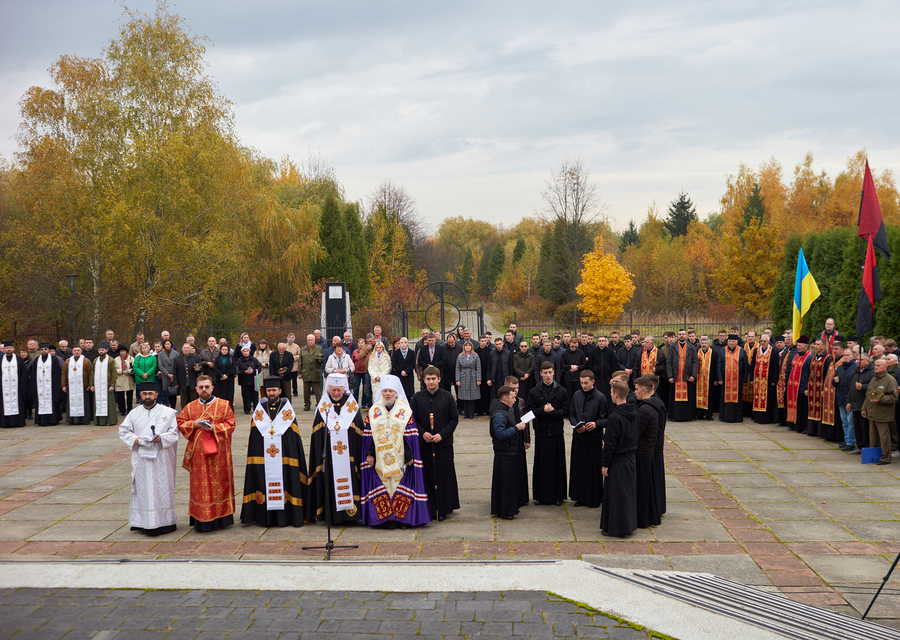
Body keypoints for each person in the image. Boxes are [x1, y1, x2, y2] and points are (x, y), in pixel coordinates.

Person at [360, 375, 431, 527]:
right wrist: (370, 454)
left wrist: (410, 455)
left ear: (396, 393)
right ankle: (384, 519)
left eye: (390, 391)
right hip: (380, 460)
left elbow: (410, 436)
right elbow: (370, 436)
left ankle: (401, 519)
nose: (387, 394)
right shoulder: (374, 411)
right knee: (384, 486)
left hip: (400, 459)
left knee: (399, 486)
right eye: (385, 391)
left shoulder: (404, 410)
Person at [240, 377, 308, 527]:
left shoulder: (287, 410)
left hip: (284, 458)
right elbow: (255, 439)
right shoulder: (260, 410)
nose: (271, 393)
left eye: (274, 390)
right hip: (264, 458)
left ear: (280, 391)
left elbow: (292, 438)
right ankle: (265, 518)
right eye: (269, 391)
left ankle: (287, 517)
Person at [118, 382, 180, 536]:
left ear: (156, 395)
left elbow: (174, 434)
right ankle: (143, 522)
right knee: (143, 490)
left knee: (162, 489)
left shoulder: (168, 413)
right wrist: (137, 440)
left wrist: (161, 438)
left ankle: (165, 522)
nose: (147, 396)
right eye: (144, 394)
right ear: (140, 394)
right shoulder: (133, 413)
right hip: (142, 459)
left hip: (162, 459)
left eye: (150, 394)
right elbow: (124, 431)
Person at [177, 375, 236, 531]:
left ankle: (222, 519)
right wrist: (195, 424)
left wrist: (214, 428)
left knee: (220, 484)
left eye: (207, 386)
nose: (204, 390)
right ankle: (201, 520)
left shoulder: (224, 405)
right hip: (198, 457)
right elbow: (181, 422)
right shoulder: (189, 407)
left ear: (212, 387)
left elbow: (230, 424)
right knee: (200, 488)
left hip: (219, 455)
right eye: (201, 387)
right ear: (196, 389)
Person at [306, 373, 364, 525]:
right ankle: (329, 513)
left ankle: (350, 515)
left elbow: (359, 433)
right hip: (330, 458)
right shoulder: (323, 408)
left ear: (344, 389)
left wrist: (343, 431)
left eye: (339, 390)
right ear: (328, 389)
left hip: (349, 457)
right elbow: (317, 437)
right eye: (333, 390)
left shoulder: (352, 407)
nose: (336, 393)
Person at [410, 366, 460, 521]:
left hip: (443, 445)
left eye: (433, 379)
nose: (431, 382)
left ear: (439, 379)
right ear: (423, 380)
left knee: (444, 476)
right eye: (428, 379)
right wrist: (422, 432)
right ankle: (429, 508)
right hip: (424, 445)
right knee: (427, 477)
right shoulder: (417, 398)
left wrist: (441, 435)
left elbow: (453, 420)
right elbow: (412, 420)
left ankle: (443, 508)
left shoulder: (447, 397)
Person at [526, 361, 569, 506]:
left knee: (557, 465)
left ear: (553, 372)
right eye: (545, 373)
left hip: (556, 433)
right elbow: (530, 412)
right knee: (542, 465)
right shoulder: (534, 391)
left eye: (550, 372)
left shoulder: (561, 390)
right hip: (542, 433)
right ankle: (540, 496)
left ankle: (558, 496)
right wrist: (542, 411)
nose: (548, 375)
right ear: (541, 374)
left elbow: (566, 411)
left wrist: (554, 412)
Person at [600, 381, 639, 538]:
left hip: (617, 461)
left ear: (616, 394)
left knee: (616, 497)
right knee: (627, 495)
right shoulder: (634, 413)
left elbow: (610, 445)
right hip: (630, 459)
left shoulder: (615, 417)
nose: (610, 395)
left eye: (611, 393)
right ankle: (628, 525)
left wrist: (605, 464)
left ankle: (617, 528)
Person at [568, 370, 607, 508]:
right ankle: (580, 496)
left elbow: (605, 418)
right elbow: (571, 413)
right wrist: (575, 424)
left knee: (592, 470)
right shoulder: (577, 395)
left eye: (586, 383)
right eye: (581, 383)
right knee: (579, 468)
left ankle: (594, 498)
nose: (583, 386)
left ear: (593, 382)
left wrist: (596, 424)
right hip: (579, 437)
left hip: (593, 439)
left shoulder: (600, 397)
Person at [489, 385, 526, 520]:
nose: (515, 400)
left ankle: (504, 509)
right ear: (505, 398)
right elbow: (500, 434)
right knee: (506, 484)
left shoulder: (505, 409)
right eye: (512, 397)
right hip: (504, 453)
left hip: (507, 451)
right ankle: (506, 510)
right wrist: (516, 428)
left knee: (506, 483)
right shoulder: (499, 414)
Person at [634, 376, 660, 528]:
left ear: (644, 390)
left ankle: (642, 520)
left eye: (637, 389)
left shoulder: (644, 409)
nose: (635, 392)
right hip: (648, 453)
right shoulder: (652, 405)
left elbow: (636, 434)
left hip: (642, 454)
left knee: (642, 490)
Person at [863, 357, 898, 465]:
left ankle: (885, 457)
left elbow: (894, 397)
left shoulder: (890, 380)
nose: (876, 367)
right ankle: (874, 456)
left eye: (878, 366)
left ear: (885, 367)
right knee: (873, 436)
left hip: (883, 413)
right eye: (875, 365)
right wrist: (864, 408)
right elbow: (868, 395)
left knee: (884, 437)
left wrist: (881, 400)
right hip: (872, 412)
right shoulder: (874, 379)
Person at [665, 330, 697, 422]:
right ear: (677, 336)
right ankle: (675, 416)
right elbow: (669, 363)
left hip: (687, 377)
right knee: (675, 397)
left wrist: (693, 375)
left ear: (686, 335)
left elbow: (695, 362)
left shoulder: (691, 347)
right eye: (680, 334)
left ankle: (688, 416)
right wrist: (670, 376)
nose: (682, 336)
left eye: (683, 334)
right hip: (676, 377)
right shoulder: (673, 347)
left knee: (688, 397)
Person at [27, 342, 62, 427]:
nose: (44, 351)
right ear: (40, 350)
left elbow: (57, 374)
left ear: (48, 350)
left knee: (52, 403)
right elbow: (34, 374)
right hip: (40, 387)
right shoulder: (36, 360)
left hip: (51, 387)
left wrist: (57, 386)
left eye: (45, 349)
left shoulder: (54, 360)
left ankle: (53, 420)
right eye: (42, 349)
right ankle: (41, 420)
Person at [718, 334, 749, 423]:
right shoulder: (722, 351)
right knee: (725, 399)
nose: (731, 343)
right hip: (725, 380)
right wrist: (720, 378)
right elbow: (719, 365)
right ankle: (725, 417)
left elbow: (745, 367)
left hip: (737, 380)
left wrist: (744, 380)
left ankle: (737, 417)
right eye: (730, 341)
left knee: (737, 400)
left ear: (736, 342)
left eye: (733, 341)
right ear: (727, 342)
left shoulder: (742, 351)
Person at [750, 334, 780, 424]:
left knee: (768, 399)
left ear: (769, 342)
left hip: (768, 381)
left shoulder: (774, 351)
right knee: (757, 398)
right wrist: (752, 378)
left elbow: (776, 367)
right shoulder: (756, 351)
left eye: (764, 341)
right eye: (761, 341)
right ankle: (757, 417)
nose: (762, 343)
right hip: (757, 381)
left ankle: (767, 419)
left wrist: (774, 380)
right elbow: (753, 365)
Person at [786, 335, 813, 432]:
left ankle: (802, 427)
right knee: (793, 405)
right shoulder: (796, 355)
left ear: (806, 346)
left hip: (801, 387)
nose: (798, 347)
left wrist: (806, 387)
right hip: (793, 386)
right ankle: (793, 424)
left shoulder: (809, 357)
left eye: (800, 346)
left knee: (802, 408)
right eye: (797, 345)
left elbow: (809, 374)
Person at [62, 345, 93, 425]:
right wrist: (63, 385)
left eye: (78, 350)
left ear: (81, 351)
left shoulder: (86, 361)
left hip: (83, 386)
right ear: (72, 351)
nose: (76, 352)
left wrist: (90, 384)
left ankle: (84, 420)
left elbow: (90, 373)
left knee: (84, 403)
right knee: (71, 403)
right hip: (71, 387)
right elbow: (64, 373)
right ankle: (72, 420)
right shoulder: (68, 361)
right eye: (75, 350)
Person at [833, 342, 856, 450]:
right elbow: (834, 383)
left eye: (848, 355)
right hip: (841, 397)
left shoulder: (855, 368)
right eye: (845, 355)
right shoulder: (840, 368)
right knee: (844, 422)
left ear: (853, 356)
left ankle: (851, 442)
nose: (846, 357)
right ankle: (847, 439)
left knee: (851, 422)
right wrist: (835, 381)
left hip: (850, 399)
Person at [849, 352, 873, 452]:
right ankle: (859, 446)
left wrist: (862, 387)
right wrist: (848, 401)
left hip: (864, 404)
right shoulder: (855, 371)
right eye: (857, 360)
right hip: (854, 403)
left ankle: (866, 447)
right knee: (857, 427)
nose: (858, 362)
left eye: (861, 360)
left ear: (868, 361)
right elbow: (851, 387)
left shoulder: (872, 372)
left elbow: (875, 387)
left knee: (865, 428)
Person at [92, 341, 118, 426]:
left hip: (107, 385)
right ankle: (99, 421)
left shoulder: (110, 360)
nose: (101, 351)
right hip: (98, 386)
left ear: (106, 350)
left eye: (102, 350)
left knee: (109, 404)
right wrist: (92, 384)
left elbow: (114, 373)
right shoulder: (96, 360)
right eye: (99, 350)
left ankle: (111, 420)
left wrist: (112, 384)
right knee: (98, 403)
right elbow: (93, 373)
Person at [455, 340, 481, 419]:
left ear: (471, 347)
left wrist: (478, 379)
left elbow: (478, 368)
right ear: (464, 347)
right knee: (464, 397)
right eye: (466, 346)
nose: (468, 347)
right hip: (463, 377)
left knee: (472, 398)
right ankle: (466, 414)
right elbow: (457, 368)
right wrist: (457, 380)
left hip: (473, 376)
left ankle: (471, 414)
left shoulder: (475, 355)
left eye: (469, 346)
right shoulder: (460, 356)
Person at [298, 334, 324, 411]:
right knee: (306, 391)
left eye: (311, 340)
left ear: (314, 340)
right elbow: (300, 361)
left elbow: (323, 359)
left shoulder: (319, 348)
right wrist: (299, 373)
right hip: (306, 372)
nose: (310, 342)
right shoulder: (303, 349)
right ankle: (307, 405)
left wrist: (320, 360)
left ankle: (319, 404)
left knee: (318, 391)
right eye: (308, 340)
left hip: (315, 372)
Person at [694, 336, 718, 420]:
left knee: (709, 396)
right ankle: (699, 414)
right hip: (699, 379)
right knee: (698, 396)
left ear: (709, 344)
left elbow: (716, 367)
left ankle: (708, 414)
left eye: (705, 343)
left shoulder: (714, 353)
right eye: (702, 343)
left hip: (710, 379)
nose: (704, 345)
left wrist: (716, 379)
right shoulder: (696, 352)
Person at [174, 343, 202, 410]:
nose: (186, 349)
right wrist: (176, 383)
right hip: (182, 383)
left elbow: (201, 369)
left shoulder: (196, 358)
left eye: (187, 348)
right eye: (184, 348)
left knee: (194, 400)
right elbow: (175, 372)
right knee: (183, 401)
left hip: (193, 383)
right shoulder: (177, 359)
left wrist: (198, 369)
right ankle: (184, 414)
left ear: (190, 349)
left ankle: (195, 413)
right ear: (182, 349)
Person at [236, 346, 262, 414]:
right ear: (242, 352)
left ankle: (256, 409)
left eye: (247, 351)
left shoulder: (254, 359)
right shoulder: (239, 360)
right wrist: (244, 372)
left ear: (249, 351)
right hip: (244, 381)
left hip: (253, 381)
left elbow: (259, 368)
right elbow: (237, 371)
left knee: (255, 396)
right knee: (246, 396)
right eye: (244, 351)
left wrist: (253, 371)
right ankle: (247, 409)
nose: (246, 352)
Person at [213, 344, 237, 411]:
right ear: (220, 350)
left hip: (229, 380)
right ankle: (221, 410)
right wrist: (221, 375)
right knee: (221, 396)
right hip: (220, 380)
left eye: (225, 349)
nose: (224, 351)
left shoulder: (231, 358)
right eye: (223, 349)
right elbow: (215, 368)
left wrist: (227, 375)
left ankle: (230, 410)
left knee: (229, 395)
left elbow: (233, 368)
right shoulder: (217, 359)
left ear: (228, 350)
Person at [367, 340, 391, 407]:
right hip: (375, 379)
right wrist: (375, 376)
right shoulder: (372, 357)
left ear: (383, 348)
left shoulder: (387, 356)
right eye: (377, 347)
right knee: (375, 395)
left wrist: (381, 376)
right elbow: (370, 368)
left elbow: (388, 368)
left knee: (384, 394)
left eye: (380, 347)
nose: (379, 349)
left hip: (383, 379)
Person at [156, 339, 179, 408]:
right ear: (164, 345)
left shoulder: (175, 353)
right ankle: (168, 406)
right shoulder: (160, 354)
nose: (167, 345)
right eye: (166, 344)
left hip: (174, 375)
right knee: (167, 392)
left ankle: (173, 407)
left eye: (169, 344)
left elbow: (177, 364)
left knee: (174, 392)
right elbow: (160, 366)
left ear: (171, 345)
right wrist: (167, 374)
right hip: (166, 376)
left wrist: (173, 375)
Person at [114, 345, 135, 417]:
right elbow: (115, 369)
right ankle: (122, 410)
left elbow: (134, 367)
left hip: (129, 378)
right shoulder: (116, 359)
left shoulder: (131, 358)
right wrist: (121, 371)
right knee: (120, 396)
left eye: (124, 351)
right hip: (120, 379)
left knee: (129, 395)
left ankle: (130, 409)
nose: (122, 353)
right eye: (121, 351)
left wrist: (128, 371)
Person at [475, 335, 493, 415]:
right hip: (478, 374)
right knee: (479, 392)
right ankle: (479, 410)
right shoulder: (476, 351)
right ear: (479, 341)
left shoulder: (490, 351)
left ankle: (487, 409)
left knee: (487, 393)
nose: (483, 343)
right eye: (481, 341)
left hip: (487, 374)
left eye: (484, 341)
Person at [352, 339, 371, 407]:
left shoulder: (367, 351)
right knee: (356, 388)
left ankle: (364, 403)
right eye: (359, 343)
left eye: (362, 343)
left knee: (365, 388)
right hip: (357, 372)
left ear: (364, 344)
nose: (360, 344)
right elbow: (352, 361)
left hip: (364, 371)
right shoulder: (355, 352)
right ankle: (355, 403)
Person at [284, 333, 300, 397]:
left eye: (292, 337)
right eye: (289, 337)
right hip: (287, 365)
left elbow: (299, 355)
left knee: (294, 380)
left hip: (294, 365)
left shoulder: (296, 346)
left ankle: (295, 391)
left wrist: (294, 358)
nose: (290, 338)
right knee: (286, 380)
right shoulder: (285, 346)